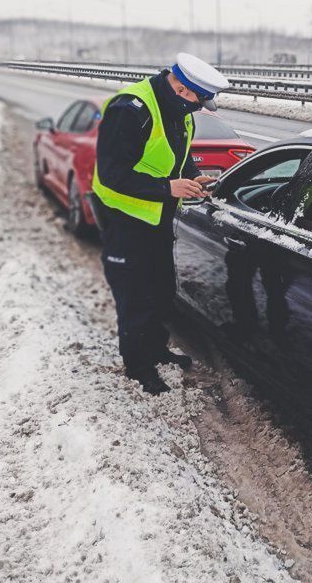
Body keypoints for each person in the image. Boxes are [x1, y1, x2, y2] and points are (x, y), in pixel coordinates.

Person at [92, 53, 229, 395]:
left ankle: (155, 349)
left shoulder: (178, 111)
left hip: (156, 218)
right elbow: (112, 174)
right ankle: (138, 366)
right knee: (135, 297)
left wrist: (197, 177)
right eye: (198, 100)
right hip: (124, 221)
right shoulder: (130, 109)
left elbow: (177, 159)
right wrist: (167, 188)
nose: (199, 107)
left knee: (161, 291)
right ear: (183, 89)